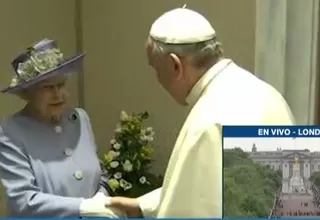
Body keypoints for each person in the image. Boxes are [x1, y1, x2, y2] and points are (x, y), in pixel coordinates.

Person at [106, 6, 295, 218]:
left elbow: (198, 211)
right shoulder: (269, 95)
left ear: (175, 65)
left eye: (156, 68)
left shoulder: (207, 123)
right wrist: (144, 205)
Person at [0, 39, 125, 218]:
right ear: (28, 93)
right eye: (48, 87)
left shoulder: (80, 118)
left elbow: (100, 175)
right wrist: (83, 207)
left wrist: (100, 198)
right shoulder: (10, 131)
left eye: (61, 85)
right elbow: (22, 200)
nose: (58, 94)